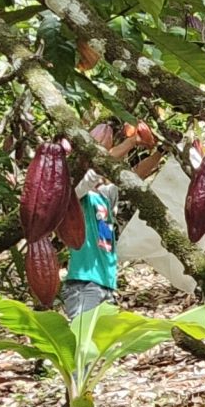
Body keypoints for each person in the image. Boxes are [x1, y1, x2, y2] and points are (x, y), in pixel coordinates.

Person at [58, 121, 164, 319]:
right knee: (83, 343)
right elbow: (95, 169)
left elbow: (135, 176)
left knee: (103, 344)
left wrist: (160, 152)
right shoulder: (74, 195)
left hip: (106, 283)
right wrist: (132, 141)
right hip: (84, 283)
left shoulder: (105, 196)